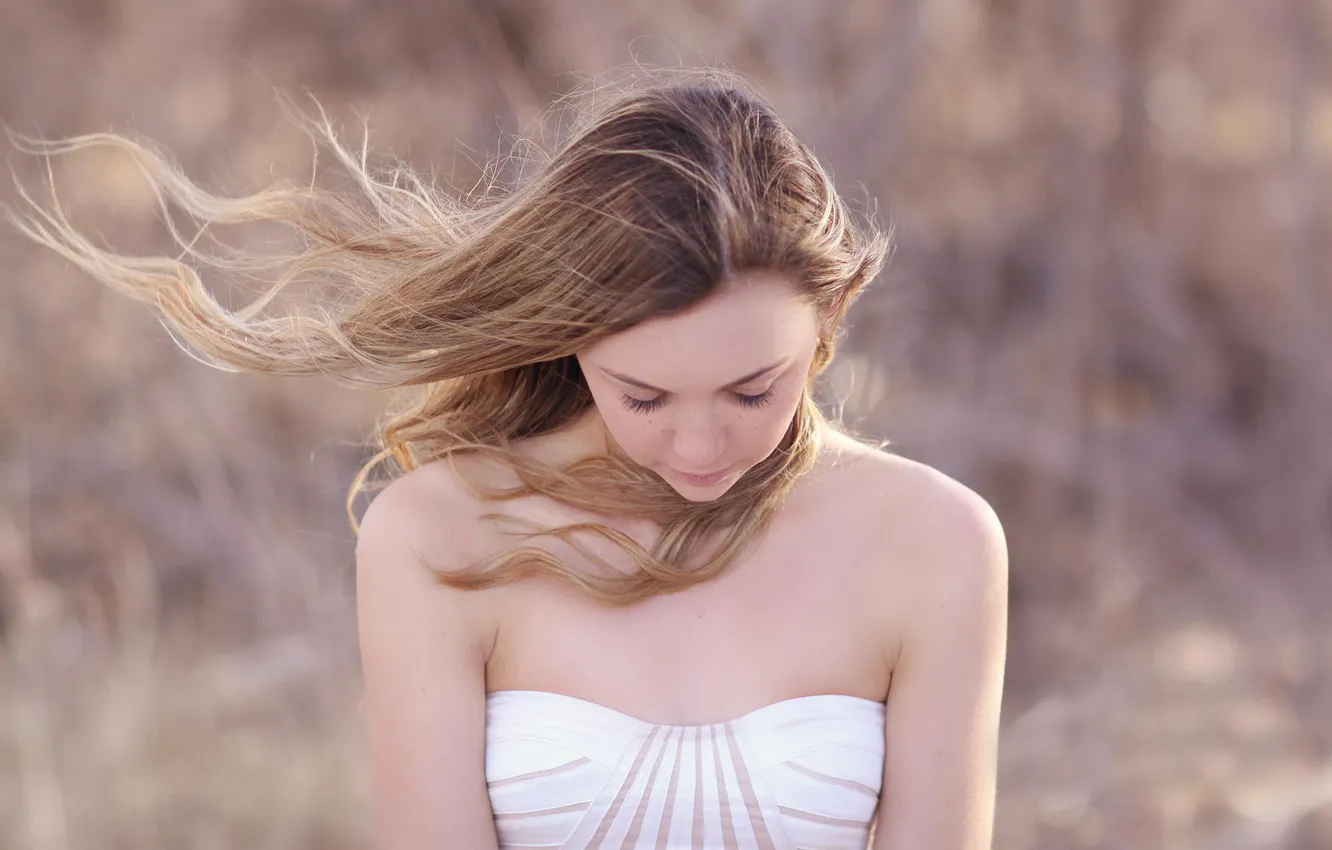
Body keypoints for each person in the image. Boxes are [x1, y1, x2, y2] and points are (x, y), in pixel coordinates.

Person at [9, 68, 1007, 849]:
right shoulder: (436, 535)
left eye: (754, 389)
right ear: (572, 338)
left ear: (832, 319)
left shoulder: (935, 542)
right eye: (644, 396)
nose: (701, 446)